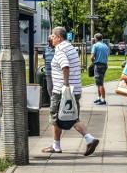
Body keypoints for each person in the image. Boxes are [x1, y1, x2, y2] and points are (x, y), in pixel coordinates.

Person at [42, 26, 100, 155]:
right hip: (76, 89)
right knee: (71, 116)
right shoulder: (70, 47)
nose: (50, 38)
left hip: (62, 90)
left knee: (56, 116)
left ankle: (58, 146)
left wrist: (65, 85)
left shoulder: (60, 49)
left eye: (52, 36)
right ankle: (88, 139)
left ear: (58, 37)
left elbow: (65, 66)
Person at [91, 33, 109, 105]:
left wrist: (93, 61)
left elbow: (92, 57)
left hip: (98, 65)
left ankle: (103, 100)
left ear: (96, 39)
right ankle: (99, 98)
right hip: (104, 65)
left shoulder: (95, 45)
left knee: (100, 83)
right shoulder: (105, 45)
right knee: (98, 82)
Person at [44, 35, 55, 99]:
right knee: (49, 88)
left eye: (50, 41)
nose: (49, 42)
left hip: (56, 73)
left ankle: (56, 103)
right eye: (48, 41)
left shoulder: (57, 49)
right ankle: (52, 101)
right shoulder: (45, 49)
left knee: (56, 88)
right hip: (48, 72)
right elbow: (44, 59)